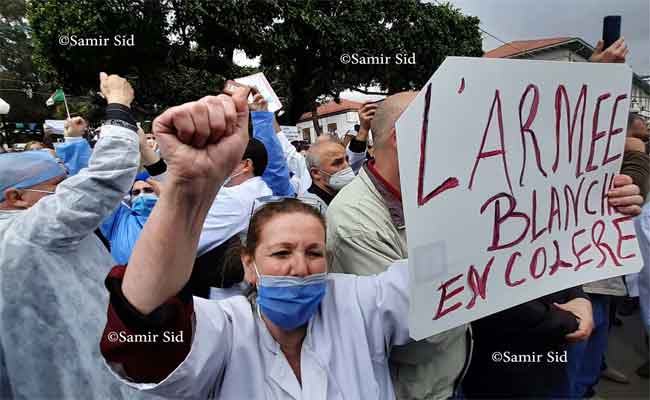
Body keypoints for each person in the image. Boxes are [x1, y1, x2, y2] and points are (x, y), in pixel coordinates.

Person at [99, 89, 413, 399]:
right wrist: (184, 189)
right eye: (281, 252)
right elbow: (141, 338)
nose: (300, 268)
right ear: (249, 264)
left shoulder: (360, 304)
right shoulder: (224, 330)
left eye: (314, 252)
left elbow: (442, 270)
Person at [0, 72, 145, 398]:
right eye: (56, 186)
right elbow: (104, 179)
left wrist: (74, 139)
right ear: (16, 197)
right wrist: (119, 107)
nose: (66, 191)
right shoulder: (26, 234)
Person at [326, 92, 470, 400]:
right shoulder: (356, 224)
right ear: (400, 136)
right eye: (442, 128)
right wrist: (478, 286)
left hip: (446, 381)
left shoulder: (431, 195)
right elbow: (410, 342)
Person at [304, 136, 355, 211]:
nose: (347, 166)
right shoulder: (309, 210)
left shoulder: (342, 196)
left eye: (347, 160)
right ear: (316, 173)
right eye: (337, 163)